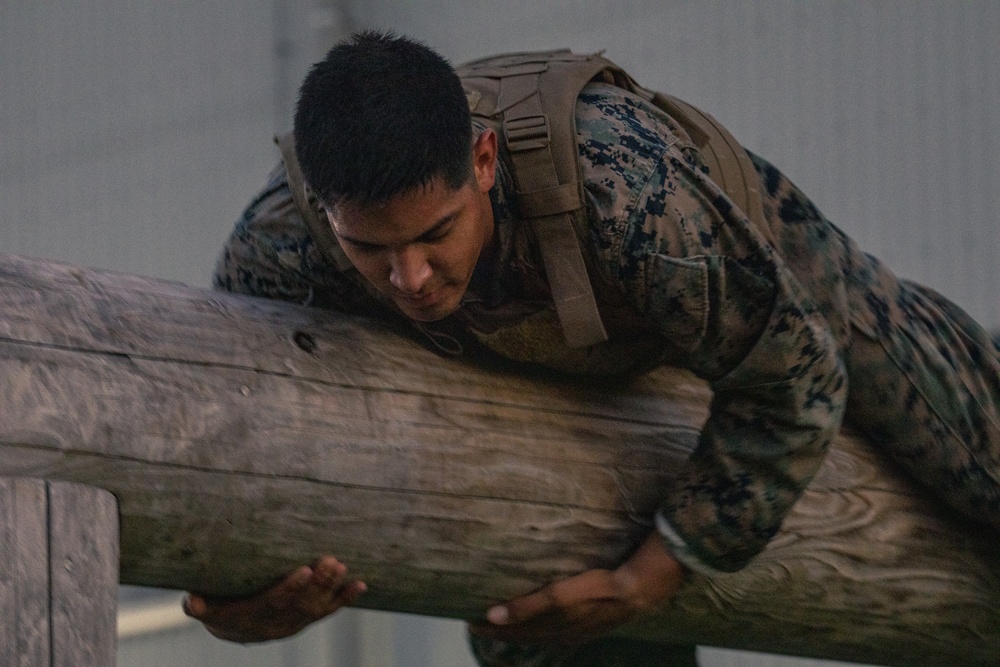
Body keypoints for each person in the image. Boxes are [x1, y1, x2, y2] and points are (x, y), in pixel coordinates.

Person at [187, 31, 1000, 665]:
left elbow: (793, 381)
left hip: (753, 271)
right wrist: (230, 605)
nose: (410, 278)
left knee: (973, 450)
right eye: (372, 250)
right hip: (531, 383)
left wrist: (654, 574)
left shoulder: (631, 195)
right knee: (537, 631)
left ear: (482, 159)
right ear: (326, 213)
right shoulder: (280, 244)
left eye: (437, 234)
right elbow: (231, 430)